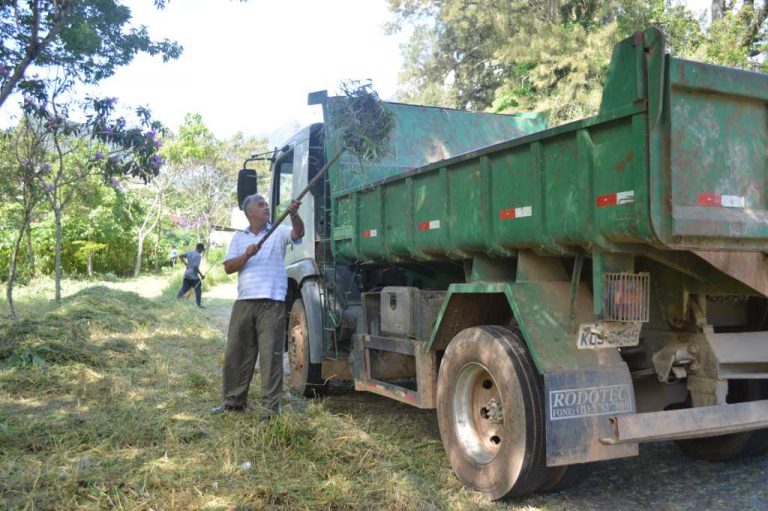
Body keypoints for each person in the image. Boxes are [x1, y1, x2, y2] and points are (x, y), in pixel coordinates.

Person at [209, 194, 303, 419]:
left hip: (272, 302)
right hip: (244, 302)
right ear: (249, 212)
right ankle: (233, 402)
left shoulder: (278, 231)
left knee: (271, 357)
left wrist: (294, 214)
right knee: (237, 353)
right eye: (261, 205)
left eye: (266, 205)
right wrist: (246, 255)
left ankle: (270, 409)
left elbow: (298, 233)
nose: (266, 207)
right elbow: (229, 268)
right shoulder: (239, 238)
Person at [176, 243, 205, 307]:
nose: (202, 251)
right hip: (193, 277)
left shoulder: (189, 252)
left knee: (183, 289)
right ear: (200, 248)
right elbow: (195, 267)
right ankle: (199, 304)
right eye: (202, 250)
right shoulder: (198, 256)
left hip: (186, 275)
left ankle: (177, 300)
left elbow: (180, 256)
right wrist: (201, 275)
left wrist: (185, 263)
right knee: (198, 289)